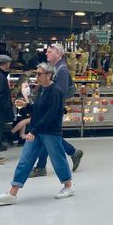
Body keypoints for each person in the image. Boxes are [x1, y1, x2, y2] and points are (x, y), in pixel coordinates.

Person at [0, 62, 74, 204]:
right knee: (25, 159)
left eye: (39, 74)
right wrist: (27, 106)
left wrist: (34, 130)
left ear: (49, 75)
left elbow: (51, 115)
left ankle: (68, 186)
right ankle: (13, 192)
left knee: (57, 158)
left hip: (50, 132)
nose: (36, 76)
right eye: (36, 73)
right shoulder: (41, 90)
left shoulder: (56, 91)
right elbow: (39, 109)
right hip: (37, 130)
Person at [30, 44, 83, 177]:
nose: (46, 54)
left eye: (49, 52)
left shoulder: (62, 70)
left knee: (47, 135)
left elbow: (60, 92)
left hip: (54, 109)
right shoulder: (56, 68)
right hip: (52, 108)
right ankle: (72, 153)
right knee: (49, 136)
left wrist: (53, 107)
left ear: (58, 53)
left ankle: (41, 167)